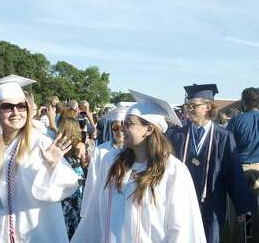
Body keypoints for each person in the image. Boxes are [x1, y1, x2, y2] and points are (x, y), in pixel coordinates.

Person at [71, 91, 206, 243]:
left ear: (149, 129)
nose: (122, 128)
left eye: (129, 123)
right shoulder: (111, 161)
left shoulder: (173, 171)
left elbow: (181, 230)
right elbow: (94, 215)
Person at [0, 74, 79, 243]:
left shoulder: (41, 142)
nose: (16, 112)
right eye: (7, 106)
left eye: (21, 106)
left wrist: (53, 166)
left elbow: (70, 185)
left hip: (34, 234)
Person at [168, 83, 256, 243]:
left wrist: (242, 207)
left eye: (192, 105)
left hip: (211, 205)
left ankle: (250, 234)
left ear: (208, 107)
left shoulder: (223, 137)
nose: (188, 109)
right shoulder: (178, 135)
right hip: (181, 204)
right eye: (187, 105)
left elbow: (233, 174)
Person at [80, 106, 127, 218]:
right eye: (115, 128)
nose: (119, 132)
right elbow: (92, 180)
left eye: (122, 128)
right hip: (104, 201)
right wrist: (87, 211)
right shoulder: (100, 151)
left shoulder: (133, 151)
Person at [227, 87, 259, 242]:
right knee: (254, 208)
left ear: (245, 102)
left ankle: (246, 237)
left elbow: (228, 149)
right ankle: (252, 236)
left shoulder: (236, 121)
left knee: (242, 210)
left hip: (242, 168)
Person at [58, 117, 88, 239]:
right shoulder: (80, 145)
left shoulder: (58, 143)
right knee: (76, 211)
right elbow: (85, 164)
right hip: (76, 180)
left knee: (63, 210)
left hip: (63, 178)